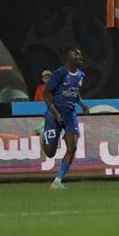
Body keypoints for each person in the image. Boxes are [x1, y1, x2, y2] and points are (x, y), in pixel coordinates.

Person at [40, 48, 90, 190]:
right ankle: (43, 136)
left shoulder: (81, 75)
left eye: (80, 54)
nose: (80, 56)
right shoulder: (60, 73)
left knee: (72, 147)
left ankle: (57, 181)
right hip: (54, 114)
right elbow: (46, 94)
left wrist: (82, 104)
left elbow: (75, 92)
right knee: (50, 153)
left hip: (69, 114)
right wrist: (55, 112)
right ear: (69, 58)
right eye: (76, 54)